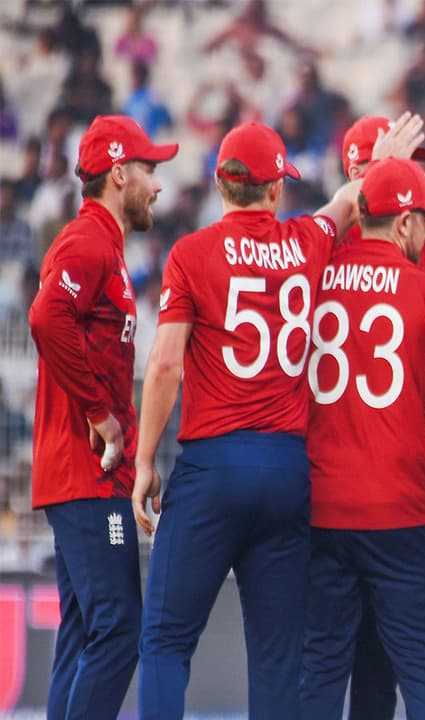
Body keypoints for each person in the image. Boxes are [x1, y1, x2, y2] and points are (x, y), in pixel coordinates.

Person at [131, 116, 424, 719]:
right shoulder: (306, 241)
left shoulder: (191, 253)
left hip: (213, 466)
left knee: (165, 641)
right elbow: (348, 202)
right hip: (288, 470)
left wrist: (143, 460)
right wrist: (381, 165)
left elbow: (164, 365)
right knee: (277, 659)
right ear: (274, 189)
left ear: (219, 182)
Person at [299, 157, 425, 719]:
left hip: (322, 504)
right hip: (400, 508)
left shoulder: (317, 279)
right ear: (404, 222)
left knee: (320, 668)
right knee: (423, 667)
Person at [28, 114, 176, 720]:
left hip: (88, 477)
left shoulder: (102, 246)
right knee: (118, 625)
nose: (157, 185)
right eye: (149, 170)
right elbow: (45, 317)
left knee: (86, 630)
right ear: (118, 174)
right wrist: (102, 416)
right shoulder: (88, 242)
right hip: (87, 478)